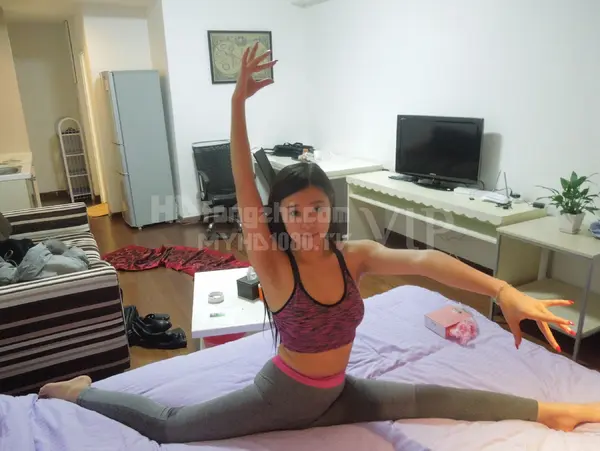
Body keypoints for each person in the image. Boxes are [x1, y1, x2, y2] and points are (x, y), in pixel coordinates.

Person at [39, 43, 600, 444]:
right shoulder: (274, 263)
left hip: (338, 390)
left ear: (330, 209)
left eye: (316, 208)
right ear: (279, 215)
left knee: (437, 396)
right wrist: (237, 104)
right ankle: (78, 392)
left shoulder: (352, 255)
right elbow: (243, 179)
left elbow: (426, 259)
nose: (307, 220)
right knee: (170, 427)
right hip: (282, 394)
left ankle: (553, 412)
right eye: (294, 211)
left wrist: (501, 289)